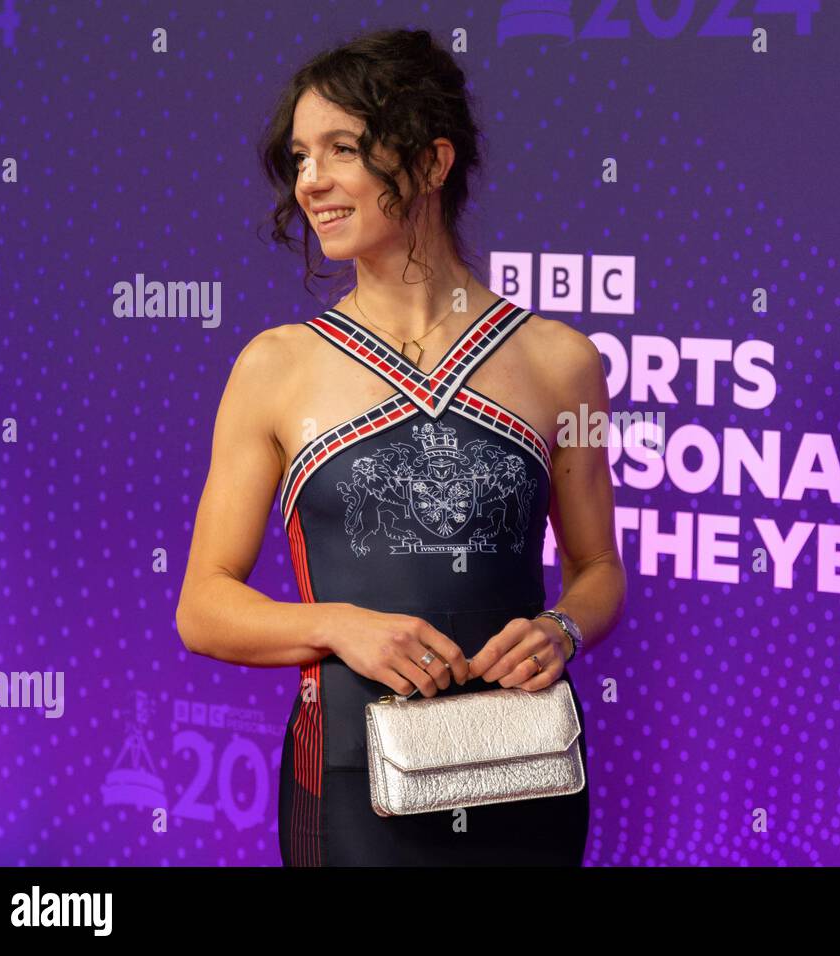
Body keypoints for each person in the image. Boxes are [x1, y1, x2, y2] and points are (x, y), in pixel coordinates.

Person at [175, 28, 625, 866]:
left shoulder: (563, 363)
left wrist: (561, 629)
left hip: (527, 771)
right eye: (301, 157)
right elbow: (202, 606)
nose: (311, 182)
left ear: (430, 162)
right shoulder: (275, 368)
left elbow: (600, 570)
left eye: (341, 150)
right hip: (349, 784)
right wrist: (343, 628)